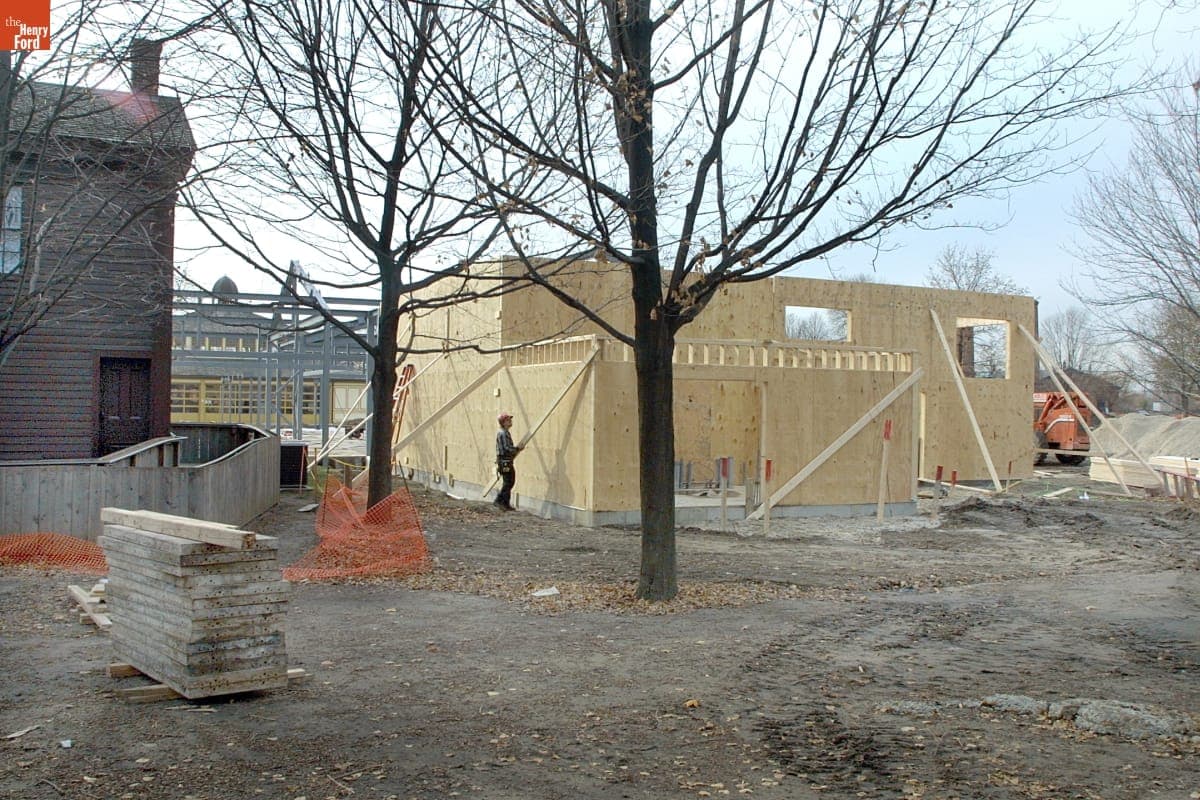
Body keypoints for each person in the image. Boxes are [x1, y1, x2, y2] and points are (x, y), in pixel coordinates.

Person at [494, 412, 523, 511]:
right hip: (504, 460)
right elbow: (507, 448)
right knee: (508, 482)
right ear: (503, 422)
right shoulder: (503, 433)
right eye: (508, 420)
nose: (510, 421)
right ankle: (500, 501)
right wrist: (517, 449)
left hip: (505, 460)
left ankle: (504, 503)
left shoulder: (505, 432)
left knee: (509, 481)